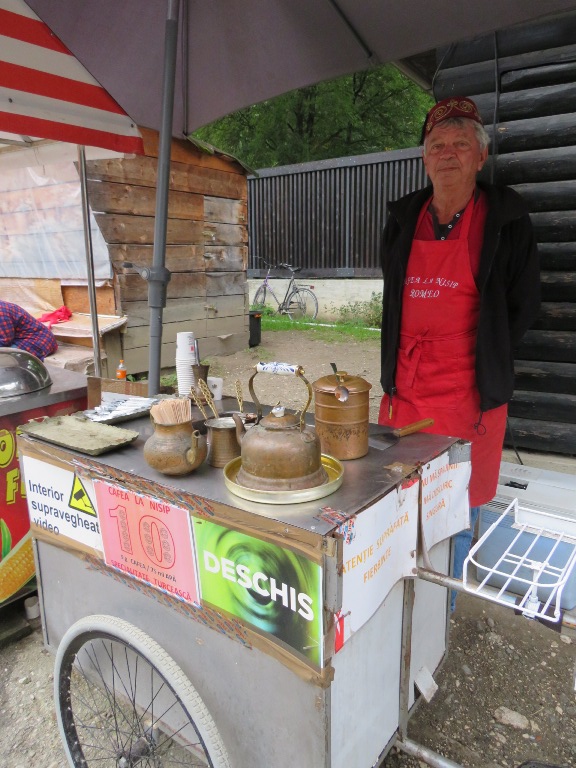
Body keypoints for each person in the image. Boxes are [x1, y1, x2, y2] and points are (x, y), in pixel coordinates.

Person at [378, 96, 541, 609]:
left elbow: (522, 304)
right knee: (399, 504)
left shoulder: (506, 219)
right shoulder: (403, 218)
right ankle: (399, 612)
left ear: (480, 155)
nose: (447, 153)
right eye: (437, 145)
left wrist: (486, 353)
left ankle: (440, 621)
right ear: (425, 159)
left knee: (456, 513)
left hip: (469, 396)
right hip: (407, 391)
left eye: (460, 144)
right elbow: (392, 292)